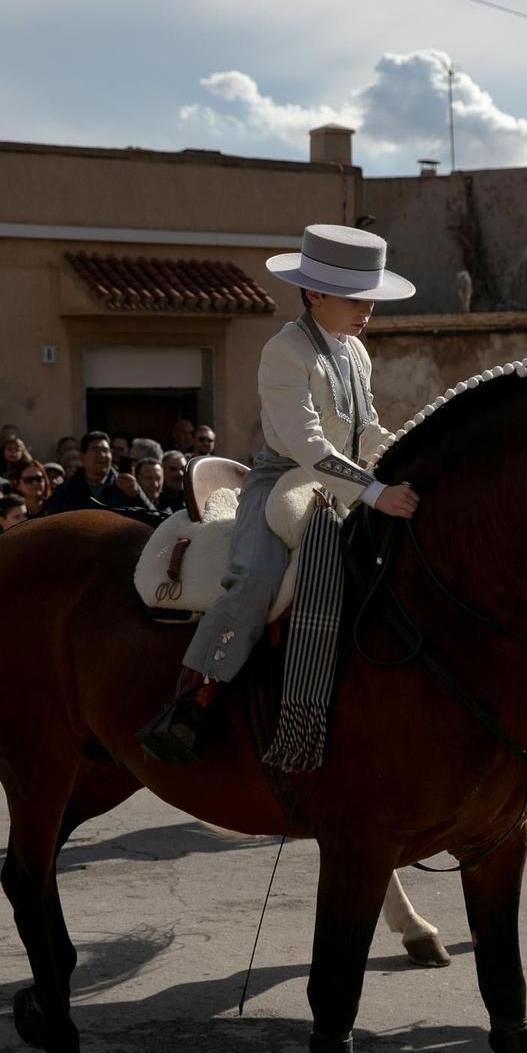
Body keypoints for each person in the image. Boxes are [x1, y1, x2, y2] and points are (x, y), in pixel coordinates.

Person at [139, 223, 419, 766]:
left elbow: (369, 430)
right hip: (282, 478)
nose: (368, 312)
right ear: (314, 293)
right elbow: (308, 444)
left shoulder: (355, 352)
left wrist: (414, 448)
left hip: (344, 481)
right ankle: (190, 702)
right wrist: (376, 492)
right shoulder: (283, 350)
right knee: (258, 579)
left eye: (371, 300)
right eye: (356, 299)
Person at [44, 431, 161, 526]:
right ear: (82, 456)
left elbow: (155, 520)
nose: (102, 455)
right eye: (95, 450)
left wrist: (136, 493)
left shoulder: (126, 485)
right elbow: (52, 527)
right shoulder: (66, 491)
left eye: (105, 450)